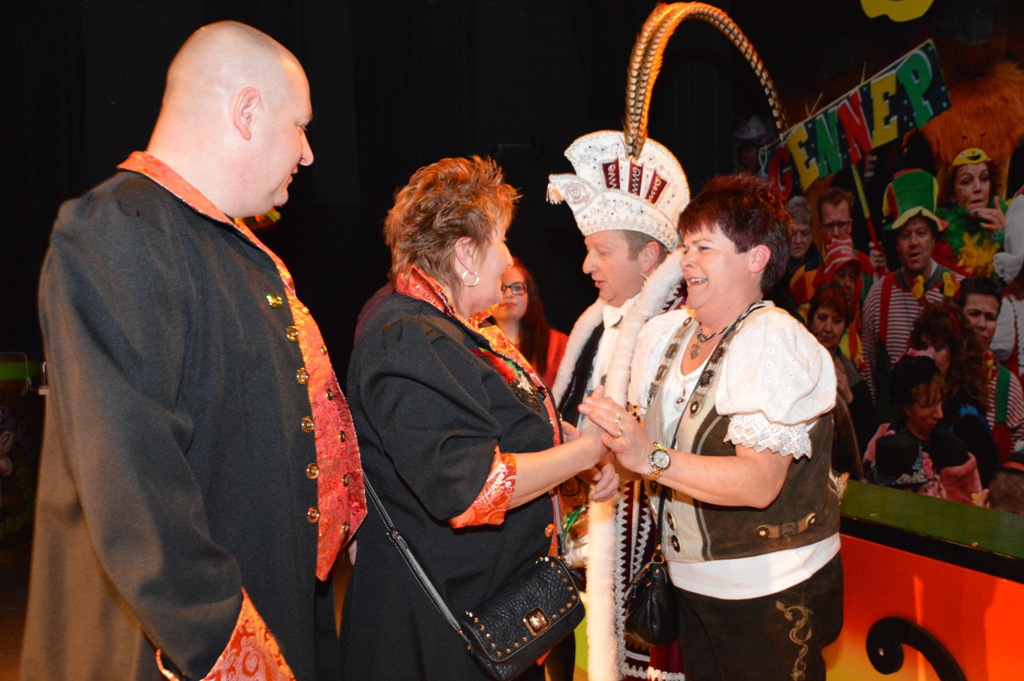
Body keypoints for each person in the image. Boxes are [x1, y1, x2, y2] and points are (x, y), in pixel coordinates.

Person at [22, 22, 365, 681]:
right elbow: (134, 482)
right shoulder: (119, 229)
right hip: (188, 653)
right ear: (247, 111)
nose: (308, 154)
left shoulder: (229, 247)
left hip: (271, 616)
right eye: (299, 126)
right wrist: (230, 648)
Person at [340, 156, 617, 680]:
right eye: (502, 241)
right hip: (439, 637)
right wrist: (585, 450)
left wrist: (568, 453)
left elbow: (498, 432)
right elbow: (473, 489)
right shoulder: (406, 336)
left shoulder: (454, 328)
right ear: (466, 255)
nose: (509, 259)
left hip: (481, 619)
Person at [582, 173, 843, 681]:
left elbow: (759, 483)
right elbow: (655, 449)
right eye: (686, 247)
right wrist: (616, 463)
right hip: (692, 586)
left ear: (756, 258)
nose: (686, 260)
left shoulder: (773, 342)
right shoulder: (666, 335)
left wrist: (648, 459)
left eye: (704, 247)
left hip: (770, 590)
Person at [547, 129, 688, 680]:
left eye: (602, 251)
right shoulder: (596, 325)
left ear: (649, 258)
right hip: (600, 548)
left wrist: (619, 465)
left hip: (657, 560)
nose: (587, 265)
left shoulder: (677, 332)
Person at [862, 169, 962, 417]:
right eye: (905, 235)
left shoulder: (958, 289)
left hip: (948, 418)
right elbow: (870, 371)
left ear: (933, 238)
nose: (913, 242)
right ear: (896, 244)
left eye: (921, 233)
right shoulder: (878, 295)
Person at [862, 355, 983, 504]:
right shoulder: (884, 444)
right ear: (906, 408)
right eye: (928, 405)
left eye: (939, 402)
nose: (939, 414)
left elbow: (971, 506)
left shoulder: (953, 449)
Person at [908, 303, 1002, 487]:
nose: (928, 354)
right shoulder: (911, 403)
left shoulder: (967, 418)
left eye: (938, 347)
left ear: (956, 352)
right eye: (923, 346)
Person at [807, 284, 874, 476]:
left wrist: (849, 397)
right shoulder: (794, 363)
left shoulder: (851, 376)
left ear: (845, 327)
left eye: (836, 321)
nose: (828, 328)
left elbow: (867, 435)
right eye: (822, 318)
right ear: (811, 321)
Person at [956, 276, 1024, 462]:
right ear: (958, 315)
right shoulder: (938, 369)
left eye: (990, 317)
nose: (981, 325)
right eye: (974, 314)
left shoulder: (1007, 384)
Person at [487, 257, 569, 387]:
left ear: (529, 295)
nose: (509, 294)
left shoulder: (558, 344)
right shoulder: (476, 344)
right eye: (501, 288)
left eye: (517, 287)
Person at [937, 147, 1008, 278]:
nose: (978, 188)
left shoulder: (1012, 220)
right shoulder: (940, 236)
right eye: (966, 181)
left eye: (984, 178)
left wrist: (1007, 240)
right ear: (952, 194)